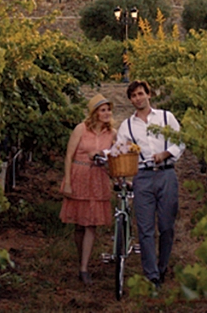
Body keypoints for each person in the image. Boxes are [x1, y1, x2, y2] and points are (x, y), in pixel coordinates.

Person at [115, 80, 185, 288]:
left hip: (166, 175)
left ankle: (162, 267)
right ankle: (151, 275)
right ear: (130, 100)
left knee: (166, 227)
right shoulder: (126, 126)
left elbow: (180, 141)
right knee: (145, 229)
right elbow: (120, 151)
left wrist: (165, 154)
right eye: (134, 96)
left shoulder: (166, 117)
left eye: (140, 94)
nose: (138, 98)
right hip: (142, 177)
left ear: (149, 95)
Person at [60, 93, 117, 285]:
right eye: (103, 110)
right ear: (94, 113)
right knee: (79, 224)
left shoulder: (112, 134)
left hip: (97, 180)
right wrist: (67, 182)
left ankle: (84, 268)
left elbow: (117, 158)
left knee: (91, 223)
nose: (107, 113)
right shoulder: (81, 129)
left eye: (108, 109)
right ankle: (81, 257)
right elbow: (69, 156)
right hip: (80, 177)